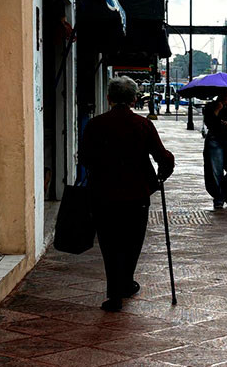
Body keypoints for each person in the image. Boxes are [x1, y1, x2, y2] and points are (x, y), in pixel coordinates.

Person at [80, 76, 175, 312]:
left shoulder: (96, 124)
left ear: (109, 98)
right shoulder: (142, 125)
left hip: (103, 194)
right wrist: (161, 175)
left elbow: (84, 159)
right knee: (132, 243)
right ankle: (125, 283)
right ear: (134, 99)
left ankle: (114, 293)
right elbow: (162, 158)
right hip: (136, 195)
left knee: (109, 244)